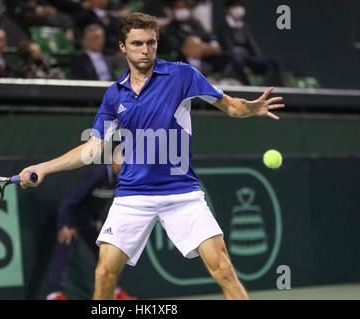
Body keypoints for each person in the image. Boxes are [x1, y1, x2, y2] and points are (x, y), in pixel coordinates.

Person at [19, 12, 285, 300]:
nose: (145, 50)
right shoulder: (114, 95)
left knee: (223, 268)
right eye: (137, 44)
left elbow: (230, 106)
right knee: (104, 273)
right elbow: (92, 149)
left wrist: (250, 108)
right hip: (133, 195)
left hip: (181, 192)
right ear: (122, 46)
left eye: (151, 42)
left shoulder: (182, 75)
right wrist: (44, 167)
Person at [46, 149, 136, 300]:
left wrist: (96, 219)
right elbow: (70, 201)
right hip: (72, 217)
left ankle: (114, 291)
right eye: (123, 159)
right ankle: (54, 295)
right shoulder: (98, 174)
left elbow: (97, 202)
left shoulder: (121, 178)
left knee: (106, 253)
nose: (126, 164)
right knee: (64, 252)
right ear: (113, 159)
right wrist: (65, 225)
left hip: (89, 221)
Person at [216, 0, 289, 86]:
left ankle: (269, 90)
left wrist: (258, 60)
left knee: (274, 63)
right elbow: (229, 50)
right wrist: (245, 67)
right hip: (232, 61)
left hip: (247, 59)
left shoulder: (245, 27)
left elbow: (253, 47)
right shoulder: (222, 27)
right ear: (227, 9)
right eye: (235, 6)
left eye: (240, 6)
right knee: (238, 54)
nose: (239, 9)